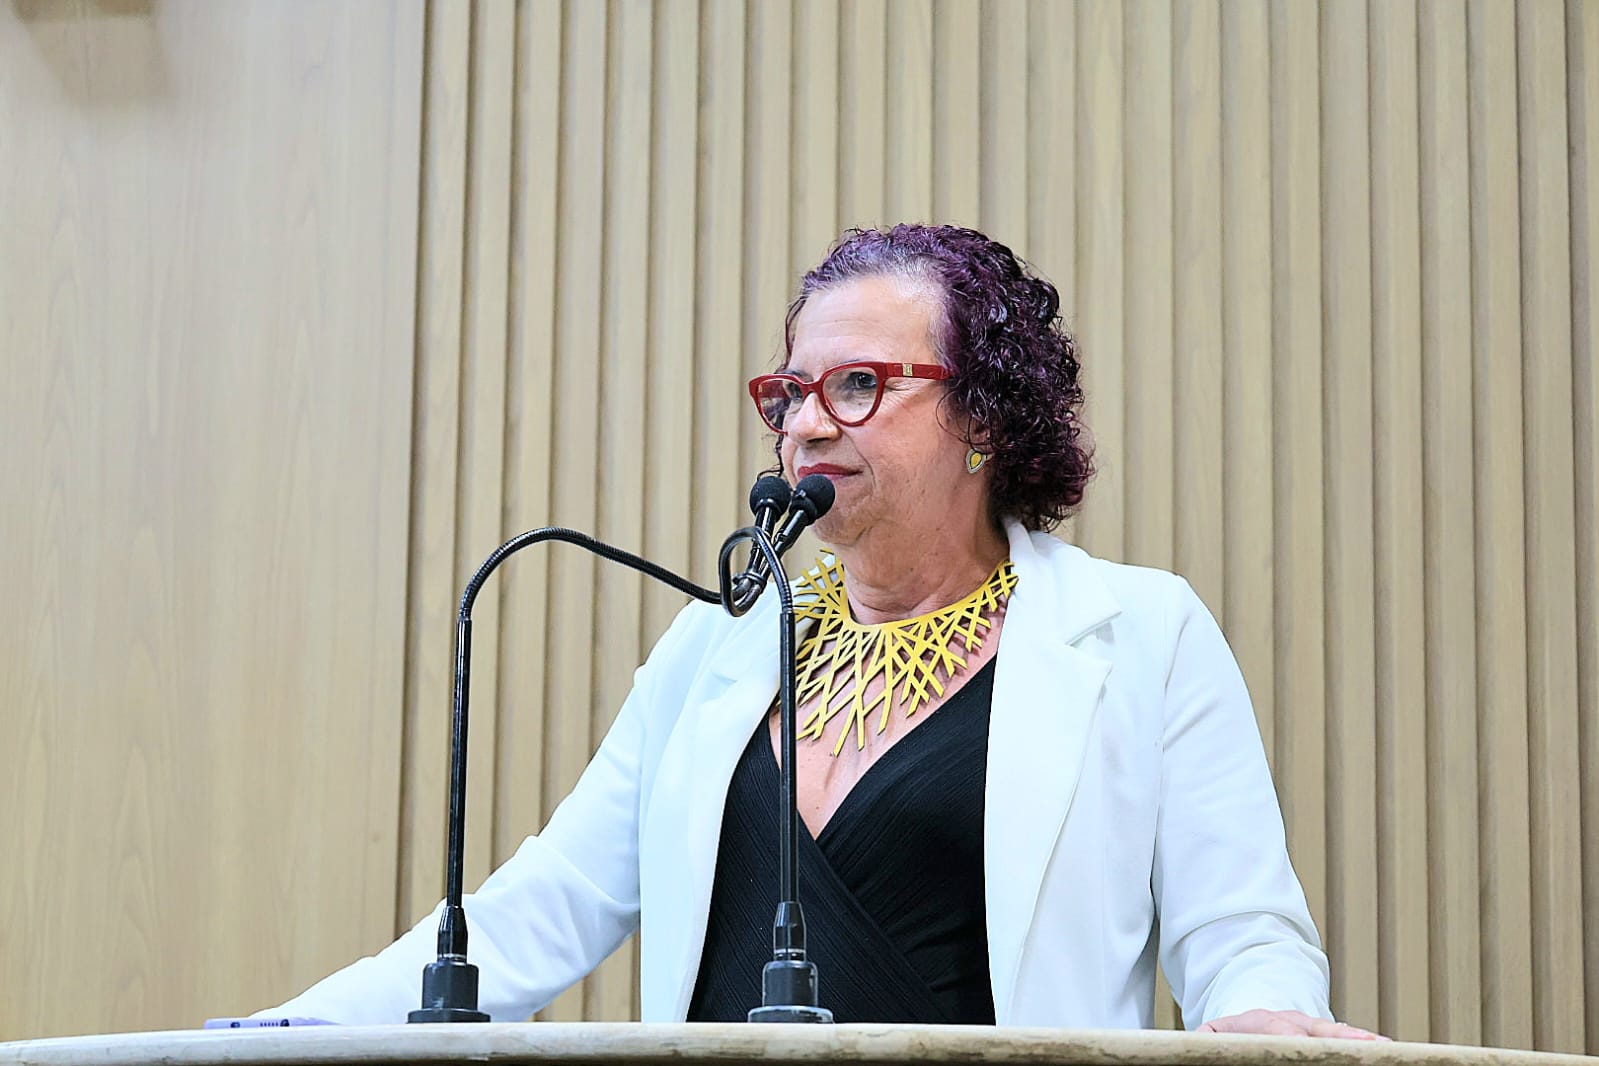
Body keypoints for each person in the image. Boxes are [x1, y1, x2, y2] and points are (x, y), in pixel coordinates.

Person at [260, 224, 1379, 1038]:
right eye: (789, 392)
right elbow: (538, 909)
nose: (805, 424)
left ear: (984, 417)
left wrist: (1263, 1011)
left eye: (856, 384)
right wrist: (281, 1034)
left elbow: (1240, 931)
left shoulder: (1141, 635)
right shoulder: (713, 649)